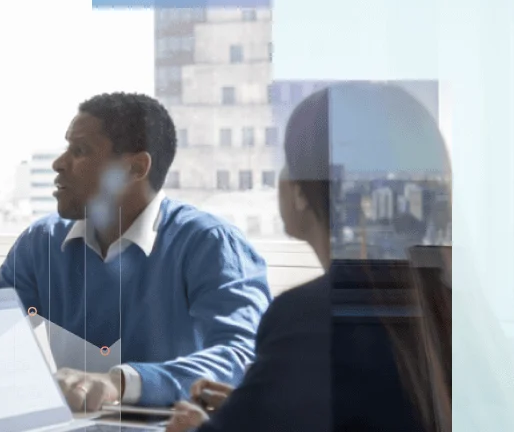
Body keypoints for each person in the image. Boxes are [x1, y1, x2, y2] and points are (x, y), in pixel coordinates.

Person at [0, 93, 270, 411]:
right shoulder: (40, 242)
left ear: (135, 167)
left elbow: (242, 356)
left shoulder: (209, 244)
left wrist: (118, 383)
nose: (58, 163)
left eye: (80, 151)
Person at [164, 83, 454, 432]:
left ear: (303, 191)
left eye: (287, 162)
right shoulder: (445, 302)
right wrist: (256, 405)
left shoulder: (308, 316)